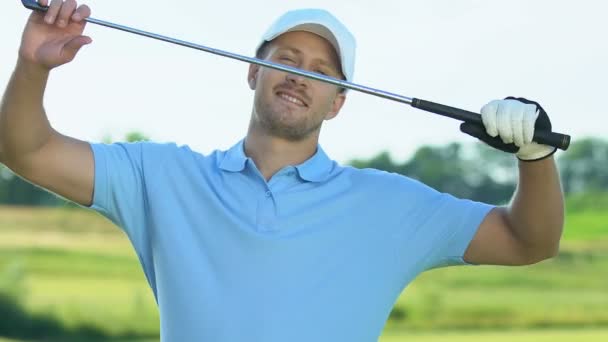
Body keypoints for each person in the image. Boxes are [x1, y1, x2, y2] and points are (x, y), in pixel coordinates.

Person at [0, 1, 564, 341]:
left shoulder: (390, 205)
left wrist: (534, 159)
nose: (299, 76)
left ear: (338, 102)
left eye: (321, 71)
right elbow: (27, 151)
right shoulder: (160, 176)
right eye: (286, 60)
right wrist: (31, 66)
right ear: (253, 72)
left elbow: (527, 240)